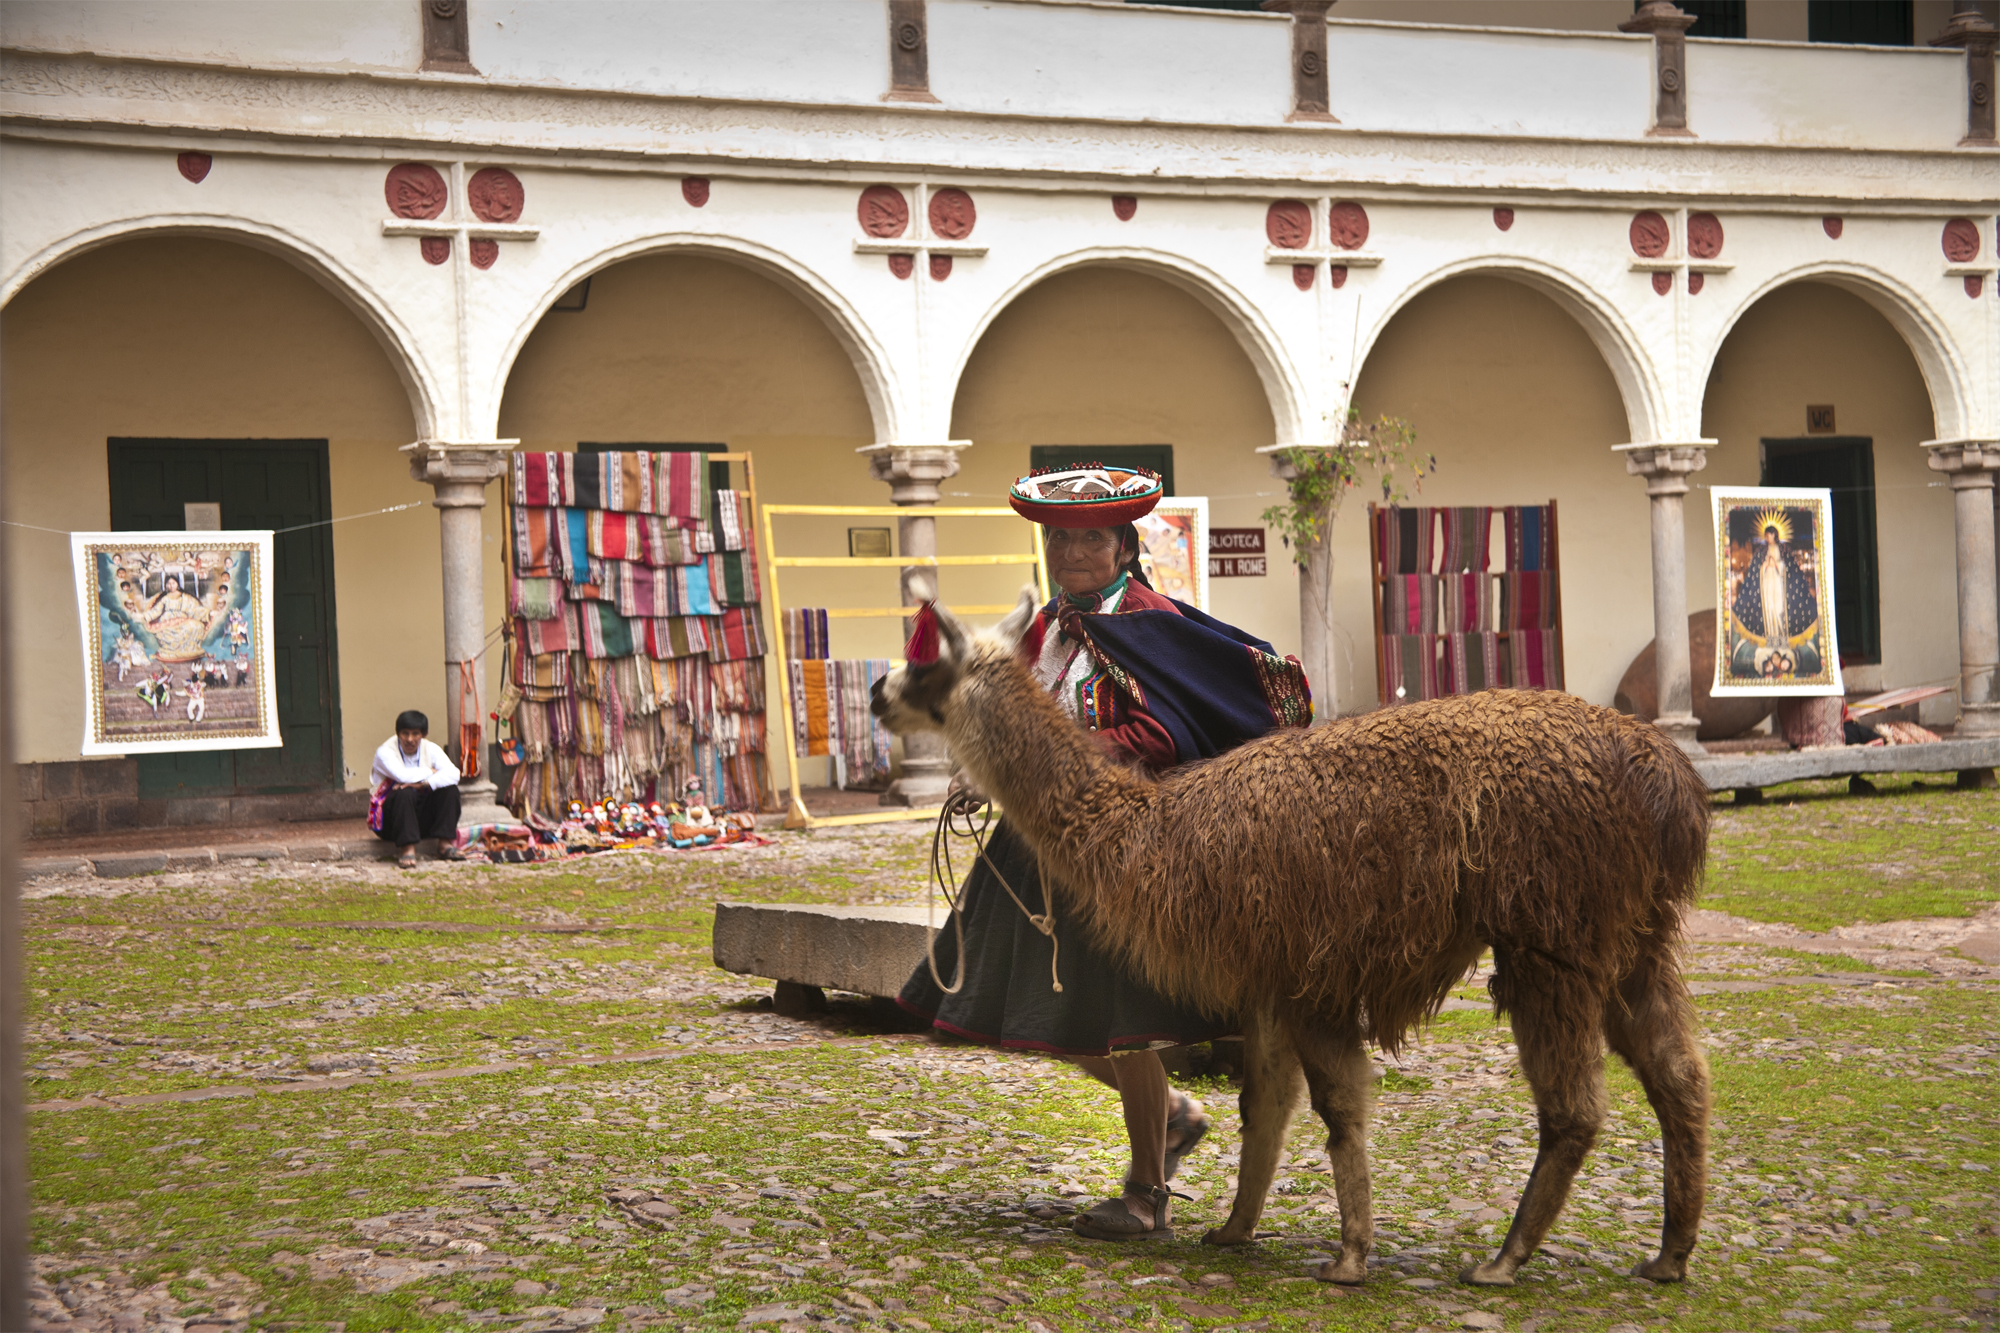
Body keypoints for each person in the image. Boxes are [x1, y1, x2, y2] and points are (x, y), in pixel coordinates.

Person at [898, 465, 1312, 1242]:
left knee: (1120, 1022)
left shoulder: (1150, 624)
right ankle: (1175, 1119)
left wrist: (1061, 755)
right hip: (1038, 849)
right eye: (1060, 537)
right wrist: (991, 767)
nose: (1072, 551)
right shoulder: (1047, 624)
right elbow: (1010, 715)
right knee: (1037, 1009)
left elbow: (1167, 735)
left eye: (1090, 537)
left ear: (1123, 543)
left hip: (1124, 854)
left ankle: (1147, 1189)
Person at [370, 709, 464, 869]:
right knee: (404, 792)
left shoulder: (431, 748)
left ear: (424, 734)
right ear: (398, 733)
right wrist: (431, 772)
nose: (409, 739)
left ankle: (445, 844)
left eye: (415, 734)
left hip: (422, 820)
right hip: (390, 822)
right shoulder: (384, 752)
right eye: (405, 733)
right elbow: (403, 776)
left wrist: (425, 784)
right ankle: (407, 848)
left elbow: (454, 774)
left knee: (449, 790)